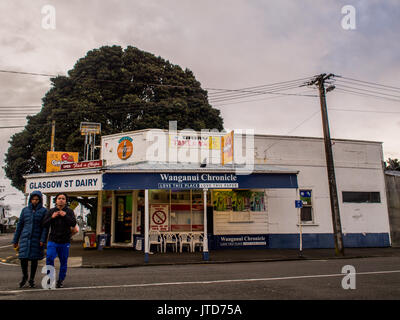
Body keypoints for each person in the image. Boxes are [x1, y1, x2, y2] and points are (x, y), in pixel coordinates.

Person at [12, 191, 48, 288]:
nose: (35, 201)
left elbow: (45, 227)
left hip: (36, 239)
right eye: (33, 199)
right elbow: (19, 226)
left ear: (40, 200)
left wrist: (42, 240)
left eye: (37, 199)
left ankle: (31, 279)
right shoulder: (25, 210)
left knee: (34, 260)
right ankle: (25, 276)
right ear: (30, 200)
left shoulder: (44, 211)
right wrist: (15, 240)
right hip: (25, 238)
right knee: (23, 259)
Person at [42, 193, 77, 288]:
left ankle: (61, 280)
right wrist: (52, 217)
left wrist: (65, 216)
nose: (61, 200)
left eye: (63, 198)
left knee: (63, 261)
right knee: (49, 257)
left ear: (66, 201)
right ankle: (50, 277)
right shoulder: (51, 211)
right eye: (59, 198)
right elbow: (44, 224)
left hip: (65, 241)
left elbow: (73, 223)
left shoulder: (69, 211)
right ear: (56, 200)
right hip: (53, 240)